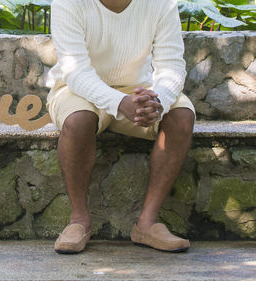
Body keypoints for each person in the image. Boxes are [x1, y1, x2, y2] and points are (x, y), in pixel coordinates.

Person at [47, 0, 195, 254]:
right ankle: (79, 221)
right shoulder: (67, 2)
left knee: (181, 115)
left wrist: (157, 100)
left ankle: (147, 223)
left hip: (138, 90)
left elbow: (171, 64)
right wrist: (119, 102)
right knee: (77, 120)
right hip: (77, 90)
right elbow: (75, 71)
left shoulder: (161, 3)